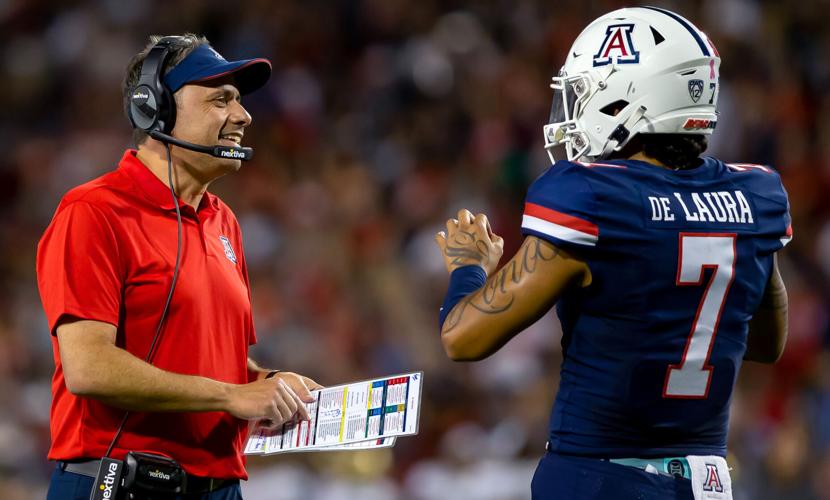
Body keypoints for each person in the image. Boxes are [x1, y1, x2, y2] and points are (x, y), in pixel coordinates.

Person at [434, 7, 790, 500]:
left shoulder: (592, 196)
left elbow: (463, 339)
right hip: (708, 479)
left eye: (586, 92)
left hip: (599, 476)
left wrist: (467, 267)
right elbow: (766, 342)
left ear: (630, 98)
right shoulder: (756, 195)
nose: (575, 109)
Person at [37, 34, 320, 500]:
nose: (243, 116)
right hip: (119, 485)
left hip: (218, 488)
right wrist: (231, 396)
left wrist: (266, 383)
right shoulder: (93, 211)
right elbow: (88, 368)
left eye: (241, 102)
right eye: (220, 100)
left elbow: (215, 358)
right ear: (155, 109)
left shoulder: (223, 220)